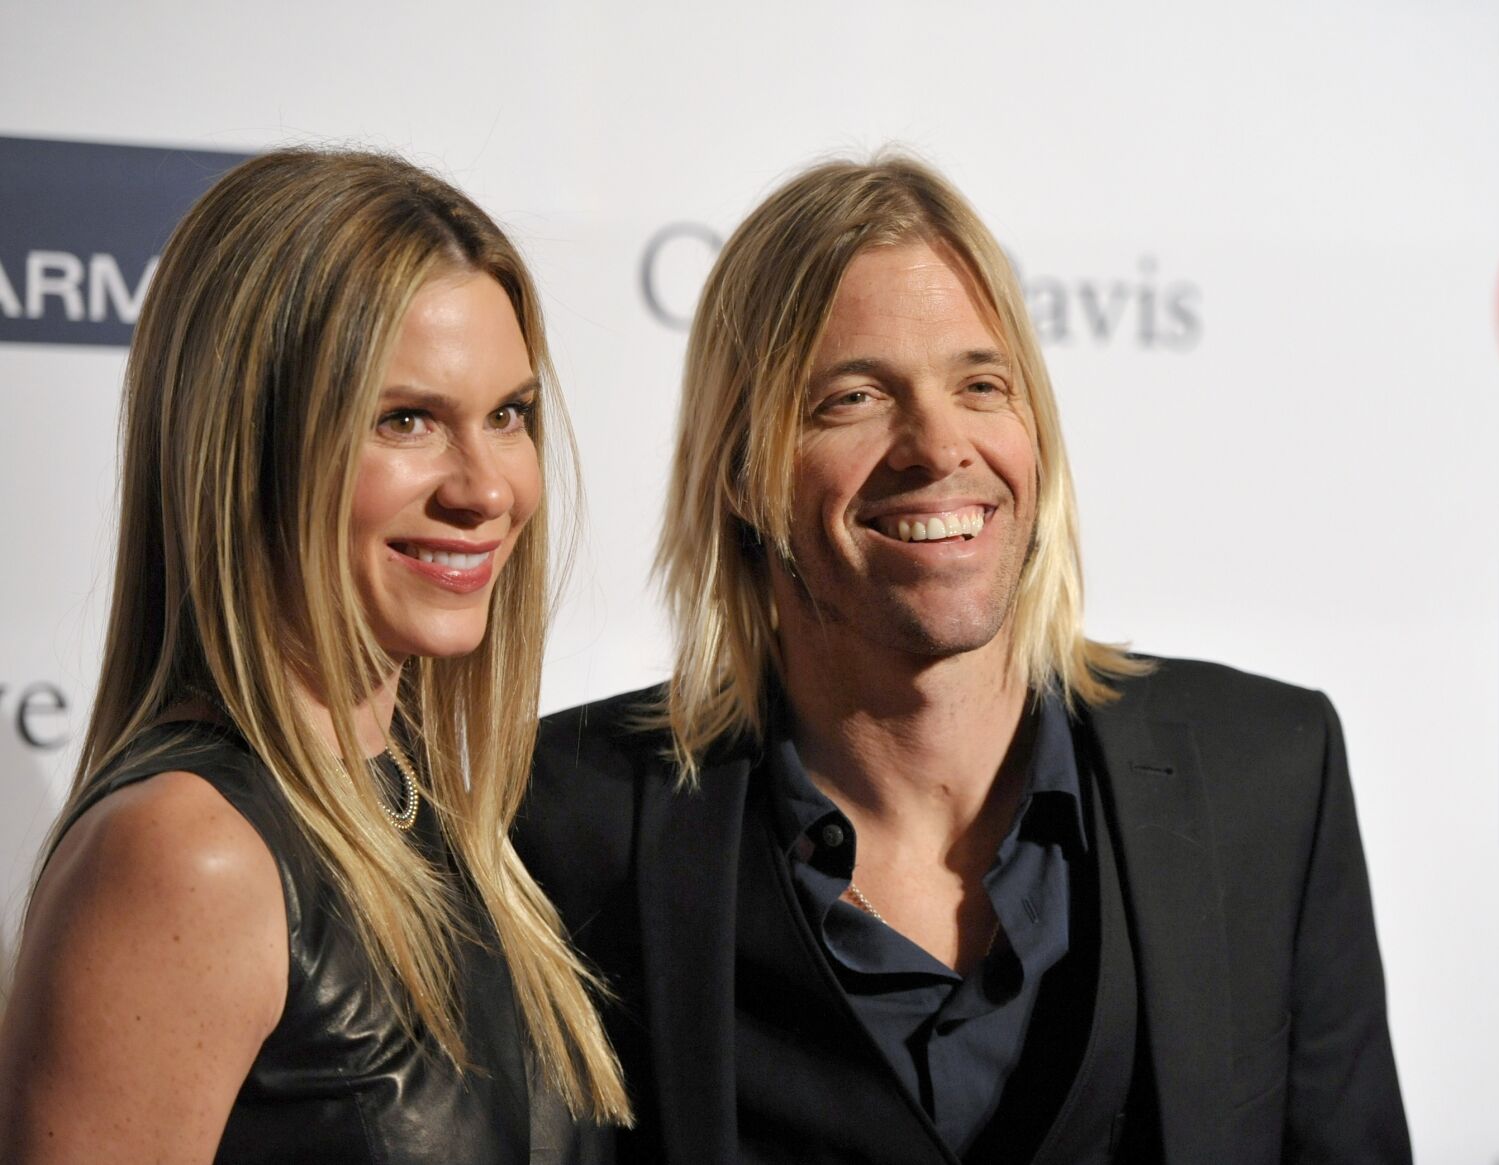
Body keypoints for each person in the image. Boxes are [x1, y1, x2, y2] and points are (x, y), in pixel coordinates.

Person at [516, 155, 1412, 1163]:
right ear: (737, 470)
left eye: (982, 384)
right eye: (853, 397)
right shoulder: (564, 820)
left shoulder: (1269, 775)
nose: (939, 444)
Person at [0, 149, 628, 1163]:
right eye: (407, 419)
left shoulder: (438, 817)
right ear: (250, 446)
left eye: (508, 415)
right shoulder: (188, 858)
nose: (486, 488)